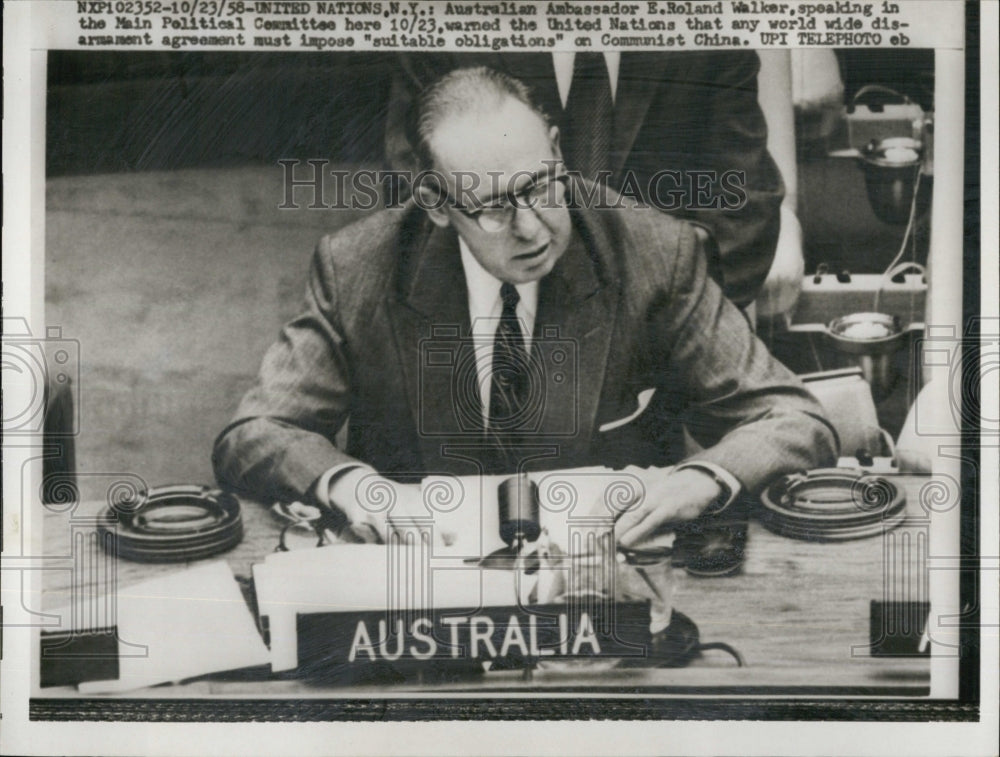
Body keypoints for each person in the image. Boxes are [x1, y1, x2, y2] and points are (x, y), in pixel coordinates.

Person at [213, 67, 836, 552]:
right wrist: (351, 485)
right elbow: (255, 434)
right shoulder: (357, 267)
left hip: (607, 582)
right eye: (492, 208)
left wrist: (702, 479)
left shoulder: (656, 252)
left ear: (558, 151)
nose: (533, 228)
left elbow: (791, 418)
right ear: (434, 204)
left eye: (541, 185)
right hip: (421, 588)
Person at [385, 52, 784, 310]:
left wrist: (667, 320)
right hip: (500, 327)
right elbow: (417, 200)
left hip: (664, 335)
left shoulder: (705, 29)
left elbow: (742, 205)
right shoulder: (446, 22)